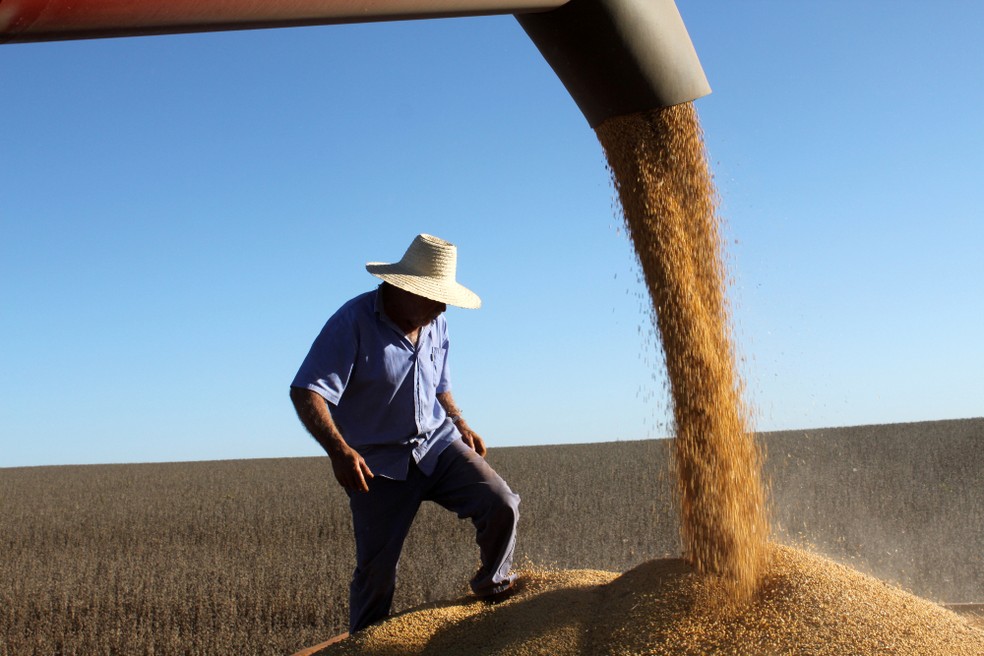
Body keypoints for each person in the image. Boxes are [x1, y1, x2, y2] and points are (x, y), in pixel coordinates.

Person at [289, 233, 520, 634]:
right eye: (433, 297)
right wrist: (339, 451)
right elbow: (306, 390)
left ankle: (492, 587)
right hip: (378, 464)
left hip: (436, 444)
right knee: (376, 571)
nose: (442, 306)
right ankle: (365, 642)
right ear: (403, 287)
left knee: (501, 503)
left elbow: (440, 384)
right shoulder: (353, 322)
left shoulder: (436, 322)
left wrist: (460, 423)